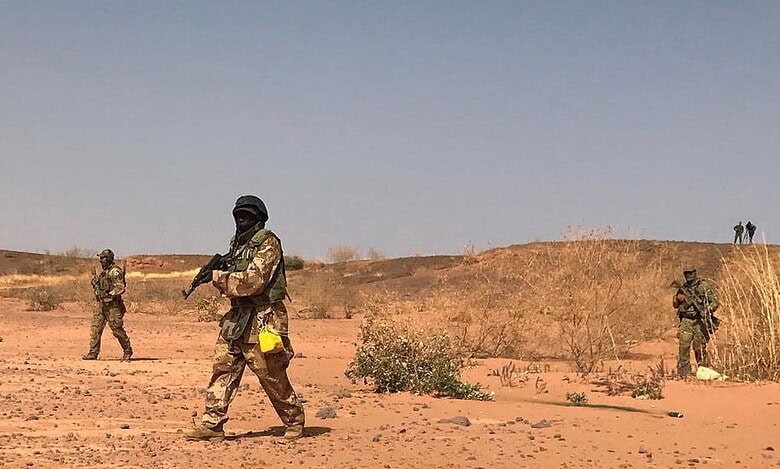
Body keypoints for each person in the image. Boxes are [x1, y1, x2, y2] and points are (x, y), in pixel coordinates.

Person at [186, 195, 304, 442]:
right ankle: (212, 424)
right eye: (238, 215)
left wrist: (217, 277)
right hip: (237, 317)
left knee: (270, 373)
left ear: (259, 218)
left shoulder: (268, 242)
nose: (241, 219)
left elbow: (253, 281)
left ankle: (294, 421)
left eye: (247, 215)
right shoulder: (237, 245)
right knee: (223, 368)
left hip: (264, 317)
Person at [82, 249, 133, 361]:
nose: (100, 261)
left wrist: (110, 294)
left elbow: (120, 287)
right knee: (96, 329)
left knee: (117, 329)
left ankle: (127, 350)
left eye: (102, 258)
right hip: (101, 305)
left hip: (113, 306)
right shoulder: (103, 272)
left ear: (108, 259)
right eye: (100, 258)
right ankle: (93, 352)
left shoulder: (115, 272)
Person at [672, 268, 720, 378]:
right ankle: (684, 373)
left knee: (699, 347)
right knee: (684, 346)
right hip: (686, 320)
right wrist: (677, 299)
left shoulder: (703, 286)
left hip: (699, 321)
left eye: (690, 273)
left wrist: (707, 310)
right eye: (686, 273)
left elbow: (715, 301)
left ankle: (704, 371)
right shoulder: (683, 288)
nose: (688, 275)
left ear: (694, 273)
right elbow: (675, 305)